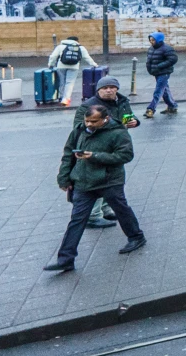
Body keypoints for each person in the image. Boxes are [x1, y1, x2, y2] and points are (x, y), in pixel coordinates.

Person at [43, 104, 146, 272]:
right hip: (83, 182)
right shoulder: (79, 130)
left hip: (109, 181)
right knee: (77, 220)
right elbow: (68, 154)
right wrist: (64, 178)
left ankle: (136, 236)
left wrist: (94, 156)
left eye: (94, 121)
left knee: (121, 209)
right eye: (87, 121)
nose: (89, 124)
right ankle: (66, 259)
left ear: (105, 119)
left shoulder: (118, 132)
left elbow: (126, 155)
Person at [73, 75, 138, 228]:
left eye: (112, 87)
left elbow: (128, 117)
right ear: (99, 90)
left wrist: (134, 121)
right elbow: (78, 127)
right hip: (95, 147)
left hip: (116, 146)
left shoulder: (122, 101)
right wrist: (102, 126)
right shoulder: (88, 105)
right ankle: (93, 216)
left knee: (112, 179)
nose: (108, 90)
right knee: (96, 180)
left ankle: (106, 208)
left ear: (117, 89)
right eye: (104, 88)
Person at [46, 35, 98, 107]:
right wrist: (94, 64)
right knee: (70, 83)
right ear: (77, 41)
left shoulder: (60, 46)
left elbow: (53, 56)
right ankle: (66, 99)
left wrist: (50, 64)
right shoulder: (80, 47)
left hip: (61, 66)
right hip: (74, 67)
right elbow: (87, 57)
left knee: (62, 82)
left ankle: (61, 97)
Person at [143, 32, 179, 118]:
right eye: (150, 40)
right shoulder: (151, 49)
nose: (151, 42)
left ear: (158, 40)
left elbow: (173, 59)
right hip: (156, 72)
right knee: (164, 90)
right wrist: (150, 69)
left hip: (164, 72)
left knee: (158, 91)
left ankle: (151, 109)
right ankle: (172, 106)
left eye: (153, 40)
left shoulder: (167, 48)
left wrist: (159, 66)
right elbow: (149, 60)